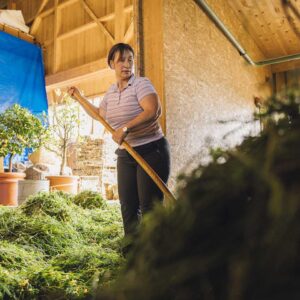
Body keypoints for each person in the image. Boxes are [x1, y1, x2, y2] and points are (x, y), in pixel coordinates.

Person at [68, 43, 170, 238]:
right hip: (127, 153)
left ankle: (153, 255)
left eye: (130, 60)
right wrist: (80, 98)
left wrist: (126, 128)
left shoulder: (141, 84)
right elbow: (99, 115)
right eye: (121, 60)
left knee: (149, 206)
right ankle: (131, 254)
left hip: (151, 150)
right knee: (128, 205)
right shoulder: (111, 92)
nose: (126, 64)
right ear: (111, 64)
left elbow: (153, 111)